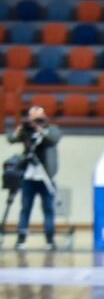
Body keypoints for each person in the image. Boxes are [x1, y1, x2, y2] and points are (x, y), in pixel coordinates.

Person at [7, 106, 62, 251]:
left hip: (46, 177)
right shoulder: (27, 132)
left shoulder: (52, 129)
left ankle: (50, 240)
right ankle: (21, 239)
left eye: (39, 118)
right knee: (25, 208)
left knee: (48, 209)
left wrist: (40, 129)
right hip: (29, 177)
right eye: (33, 118)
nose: (36, 121)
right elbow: (10, 139)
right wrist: (19, 130)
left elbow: (54, 138)